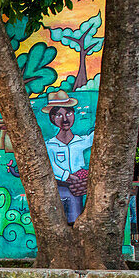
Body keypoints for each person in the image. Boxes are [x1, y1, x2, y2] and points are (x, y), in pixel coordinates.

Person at [42, 90, 94, 224]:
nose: (65, 119)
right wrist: (67, 176)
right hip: (58, 187)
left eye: (68, 113)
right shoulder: (50, 145)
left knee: (75, 220)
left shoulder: (82, 141)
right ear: (53, 118)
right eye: (59, 115)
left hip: (76, 190)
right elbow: (50, 165)